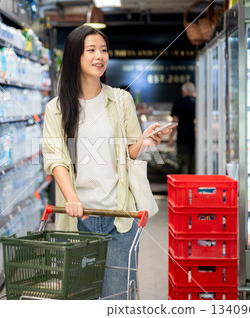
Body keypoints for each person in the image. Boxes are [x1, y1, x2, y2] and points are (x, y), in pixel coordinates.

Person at [42, 25, 172, 300]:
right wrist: (72, 199)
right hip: (77, 219)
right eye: (91, 50)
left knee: (118, 299)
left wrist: (144, 142)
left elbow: (129, 152)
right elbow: (56, 159)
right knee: (79, 297)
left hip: (120, 217)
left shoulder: (121, 100)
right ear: (75, 56)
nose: (99, 56)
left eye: (103, 50)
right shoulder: (56, 109)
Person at [168, 81, 196, 174]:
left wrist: (171, 138)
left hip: (183, 138)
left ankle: (184, 187)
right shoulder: (198, 103)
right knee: (195, 164)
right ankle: (194, 186)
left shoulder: (178, 102)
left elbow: (175, 121)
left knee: (183, 164)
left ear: (183, 91)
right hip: (196, 139)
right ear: (193, 91)